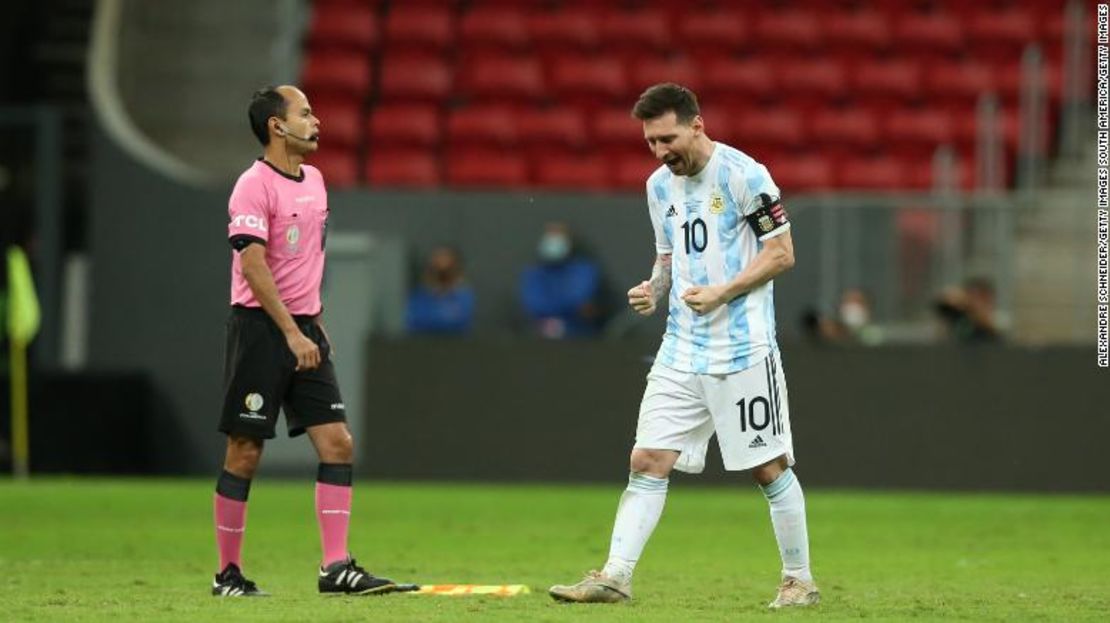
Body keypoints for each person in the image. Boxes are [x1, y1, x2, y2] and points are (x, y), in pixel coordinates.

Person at [549, 84, 819, 609]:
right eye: (650, 141)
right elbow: (668, 257)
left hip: (742, 349)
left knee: (768, 468)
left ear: (697, 125)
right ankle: (615, 576)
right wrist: (653, 289)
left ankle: (799, 579)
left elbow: (782, 254)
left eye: (667, 138)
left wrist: (723, 290)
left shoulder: (745, 175)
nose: (659, 151)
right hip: (681, 349)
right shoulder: (658, 186)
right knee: (647, 458)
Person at [213, 85, 403, 597]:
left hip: (304, 329)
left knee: (338, 443)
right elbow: (253, 266)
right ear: (277, 126)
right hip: (260, 329)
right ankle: (227, 574)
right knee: (246, 449)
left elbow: (306, 262)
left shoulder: (315, 180)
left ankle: (335, 567)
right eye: (305, 112)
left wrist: (312, 326)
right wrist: (292, 332)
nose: (316, 121)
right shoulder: (252, 186)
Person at [519, 222, 604, 338]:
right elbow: (533, 303)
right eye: (551, 236)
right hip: (538, 334)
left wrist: (566, 313)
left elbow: (581, 300)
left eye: (558, 236)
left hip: (579, 333)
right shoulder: (534, 272)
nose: (553, 242)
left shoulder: (584, 269)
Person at [406, 245, 475, 334]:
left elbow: (458, 321)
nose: (440, 267)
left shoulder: (464, 295)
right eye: (435, 265)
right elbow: (413, 320)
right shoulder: (418, 295)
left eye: (445, 270)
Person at [934, 277, 1002, 343]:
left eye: (981, 299)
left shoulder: (993, 332)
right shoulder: (961, 321)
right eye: (973, 297)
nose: (977, 304)